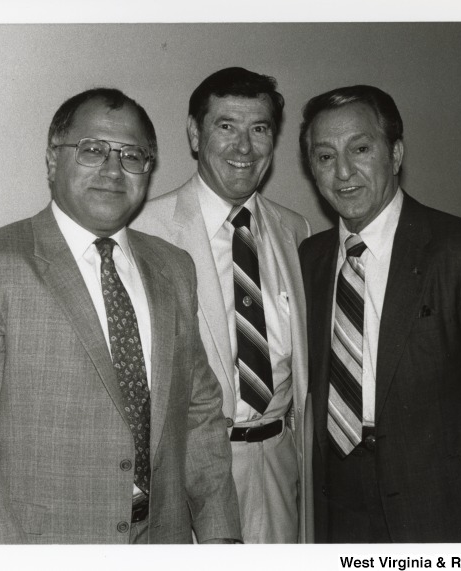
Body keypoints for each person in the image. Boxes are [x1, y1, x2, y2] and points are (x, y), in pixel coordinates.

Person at [0, 88, 241, 544]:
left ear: (148, 170)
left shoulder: (173, 267)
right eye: (92, 151)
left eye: (133, 155)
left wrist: (220, 536)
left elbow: (200, 413)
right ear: (53, 160)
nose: (113, 170)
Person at [298, 85, 461, 543]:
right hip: (337, 511)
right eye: (324, 156)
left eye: (361, 148)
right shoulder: (309, 259)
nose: (344, 172)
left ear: (395, 154)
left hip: (441, 510)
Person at [132, 67, 312, 543]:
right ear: (195, 133)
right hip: (184, 471)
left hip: (277, 459)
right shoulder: (144, 231)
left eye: (259, 129)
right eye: (225, 126)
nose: (243, 147)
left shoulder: (296, 232)